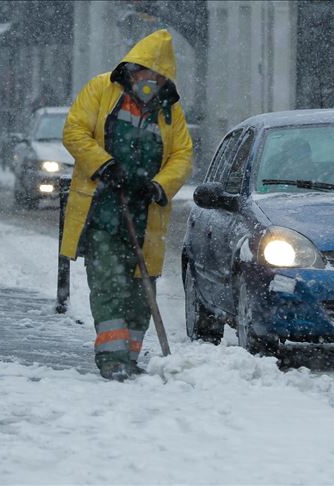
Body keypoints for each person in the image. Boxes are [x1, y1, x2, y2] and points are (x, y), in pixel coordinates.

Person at [61, 29, 193, 380]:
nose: (151, 82)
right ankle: (112, 359)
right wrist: (105, 165)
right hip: (103, 210)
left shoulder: (169, 111)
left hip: (145, 214)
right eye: (146, 74)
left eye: (159, 77)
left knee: (140, 291)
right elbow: (75, 130)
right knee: (108, 284)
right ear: (133, 70)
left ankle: (130, 356)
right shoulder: (101, 89)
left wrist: (158, 186)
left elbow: (182, 155)